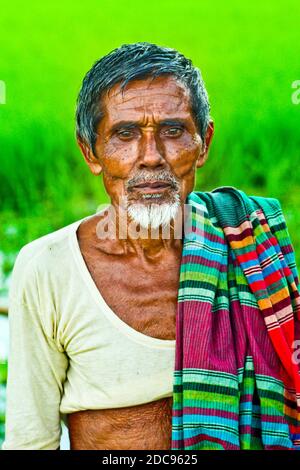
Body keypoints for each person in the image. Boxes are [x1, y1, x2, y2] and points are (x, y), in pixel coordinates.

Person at [2, 42, 300, 451]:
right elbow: (30, 439)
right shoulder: (48, 267)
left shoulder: (252, 252)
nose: (151, 157)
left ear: (204, 142)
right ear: (91, 152)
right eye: (125, 135)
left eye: (173, 131)